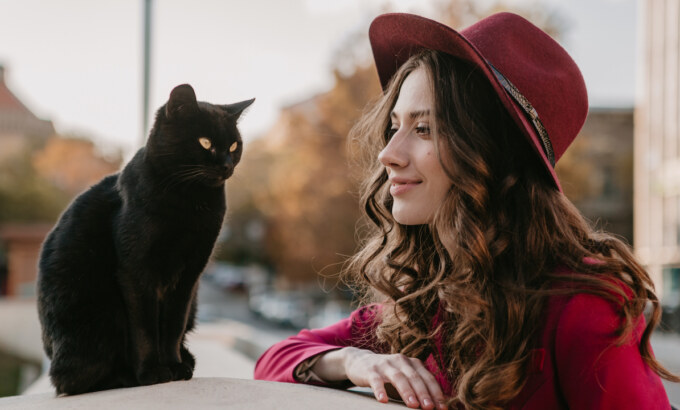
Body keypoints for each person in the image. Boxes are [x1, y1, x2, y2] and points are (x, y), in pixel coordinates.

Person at [254, 12, 678, 409]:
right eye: (394, 126)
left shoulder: (583, 303)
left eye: (424, 129)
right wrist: (353, 362)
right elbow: (275, 358)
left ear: (490, 154)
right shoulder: (420, 300)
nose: (388, 153)